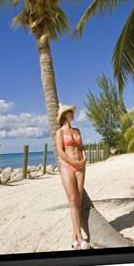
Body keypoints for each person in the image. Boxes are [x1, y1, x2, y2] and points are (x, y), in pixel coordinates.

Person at [55, 105, 91, 250]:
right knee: (72, 200)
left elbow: (80, 147)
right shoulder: (59, 132)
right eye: (70, 113)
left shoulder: (77, 131)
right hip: (67, 166)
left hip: (81, 167)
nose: (73, 114)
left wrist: (84, 156)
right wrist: (73, 162)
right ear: (65, 115)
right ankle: (80, 238)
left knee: (79, 200)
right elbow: (60, 151)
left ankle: (74, 238)